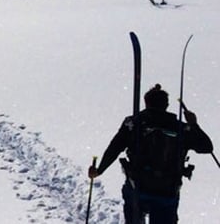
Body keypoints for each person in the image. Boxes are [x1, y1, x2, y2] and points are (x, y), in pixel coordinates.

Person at [88, 84, 213, 223]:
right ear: (166, 105)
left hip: (138, 187)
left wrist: (99, 170)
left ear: (146, 103)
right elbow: (207, 147)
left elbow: (114, 148)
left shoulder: (133, 123)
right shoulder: (181, 128)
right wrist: (194, 125)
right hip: (168, 191)